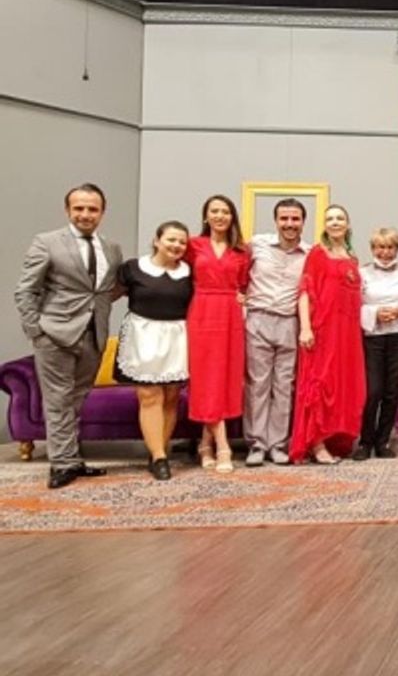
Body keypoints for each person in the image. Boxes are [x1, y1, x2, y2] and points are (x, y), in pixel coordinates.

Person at [15, 183, 124, 489]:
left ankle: (71, 458)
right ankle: (61, 464)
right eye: (79, 208)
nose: (85, 214)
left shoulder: (112, 248)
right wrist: (36, 331)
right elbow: (25, 290)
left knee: (76, 399)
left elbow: (105, 291)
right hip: (54, 335)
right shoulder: (47, 242)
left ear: (102, 212)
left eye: (92, 209)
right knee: (58, 399)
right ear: (68, 210)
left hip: (94, 335)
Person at [113, 221, 194, 480]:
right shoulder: (133, 269)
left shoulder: (190, 272)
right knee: (150, 396)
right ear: (157, 240)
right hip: (143, 335)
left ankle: (159, 448)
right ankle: (159, 458)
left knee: (171, 397)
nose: (176, 245)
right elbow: (108, 295)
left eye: (182, 242)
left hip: (177, 336)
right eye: (171, 239)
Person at [290, 204, 365, 464]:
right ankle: (316, 442)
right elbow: (305, 290)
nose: (335, 222)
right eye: (330, 218)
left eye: (340, 218)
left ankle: (335, 439)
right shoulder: (317, 254)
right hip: (323, 328)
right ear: (324, 225)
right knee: (320, 383)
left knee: (342, 385)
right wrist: (305, 327)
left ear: (347, 224)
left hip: (348, 333)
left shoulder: (352, 257)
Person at [185, 195, 250, 472]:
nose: (220, 216)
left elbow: (244, 285)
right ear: (206, 216)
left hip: (230, 315)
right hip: (201, 311)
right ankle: (223, 446)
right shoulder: (193, 245)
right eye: (215, 211)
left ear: (232, 217)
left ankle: (204, 443)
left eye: (225, 211)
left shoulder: (242, 251)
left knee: (224, 379)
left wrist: (243, 297)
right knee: (206, 379)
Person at [243, 198, 309, 467]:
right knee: (258, 385)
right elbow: (235, 272)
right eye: (284, 218)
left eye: (295, 219)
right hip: (258, 319)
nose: (289, 224)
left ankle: (278, 444)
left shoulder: (310, 253)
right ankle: (257, 444)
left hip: (289, 322)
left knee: (284, 386)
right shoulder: (256, 245)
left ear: (303, 222)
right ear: (276, 221)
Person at [354, 227, 398, 460]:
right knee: (373, 391)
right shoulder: (362, 272)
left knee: (392, 392)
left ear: (397, 249)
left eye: (390, 247)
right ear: (373, 248)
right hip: (373, 337)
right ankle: (365, 441)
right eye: (381, 247)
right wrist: (375, 313)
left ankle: (383, 441)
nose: (385, 252)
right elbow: (355, 305)